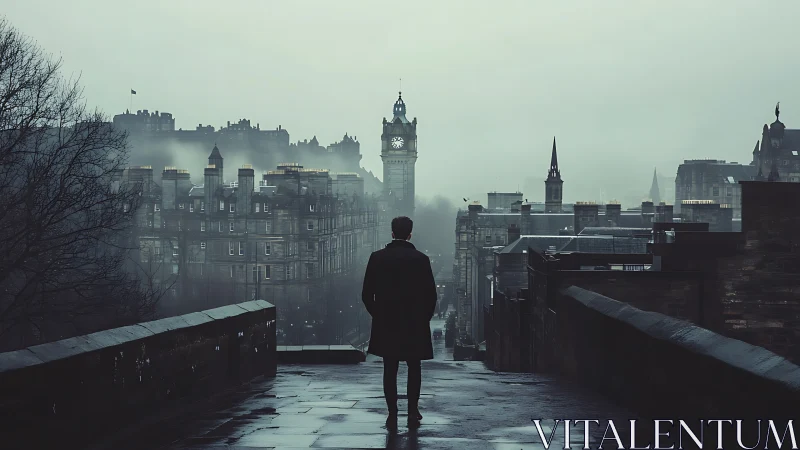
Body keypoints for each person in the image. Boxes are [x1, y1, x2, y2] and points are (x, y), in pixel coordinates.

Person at [361, 216, 437, 428]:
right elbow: (431, 295)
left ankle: (392, 413)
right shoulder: (421, 259)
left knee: (390, 368)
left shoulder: (377, 258)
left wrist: (378, 314)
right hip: (414, 322)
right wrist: (424, 318)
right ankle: (412, 411)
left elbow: (367, 294)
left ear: (392, 233)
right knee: (414, 367)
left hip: (387, 322)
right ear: (410, 234)